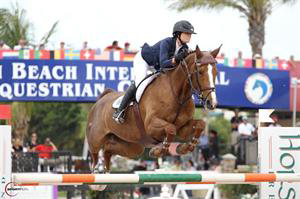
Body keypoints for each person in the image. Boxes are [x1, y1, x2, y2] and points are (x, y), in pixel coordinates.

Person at [112, 20, 196, 123]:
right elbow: (163, 63)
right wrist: (176, 59)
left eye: (190, 34)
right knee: (140, 83)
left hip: (156, 66)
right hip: (144, 60)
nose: (189, 36)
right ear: (178, 34)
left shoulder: (185, 48)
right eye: (187, 33)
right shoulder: (167, 42)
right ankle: (119, 110)